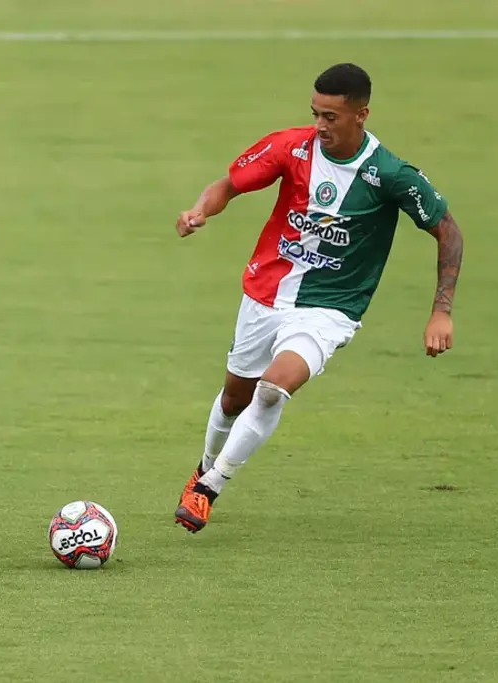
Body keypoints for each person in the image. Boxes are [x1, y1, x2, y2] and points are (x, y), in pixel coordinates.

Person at [173, 63, 464, 533]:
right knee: (234, 397)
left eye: (331, 117)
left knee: (273, 388)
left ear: (361, 114)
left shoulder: (390, 174)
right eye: (315, 114)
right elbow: (229, 184)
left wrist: (441, 311)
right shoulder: (290, 147)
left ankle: (210, 488)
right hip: (266, 293)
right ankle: (204, 466)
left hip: (331, 308)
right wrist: (199, 210)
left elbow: (448, 231)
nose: (320, 126)